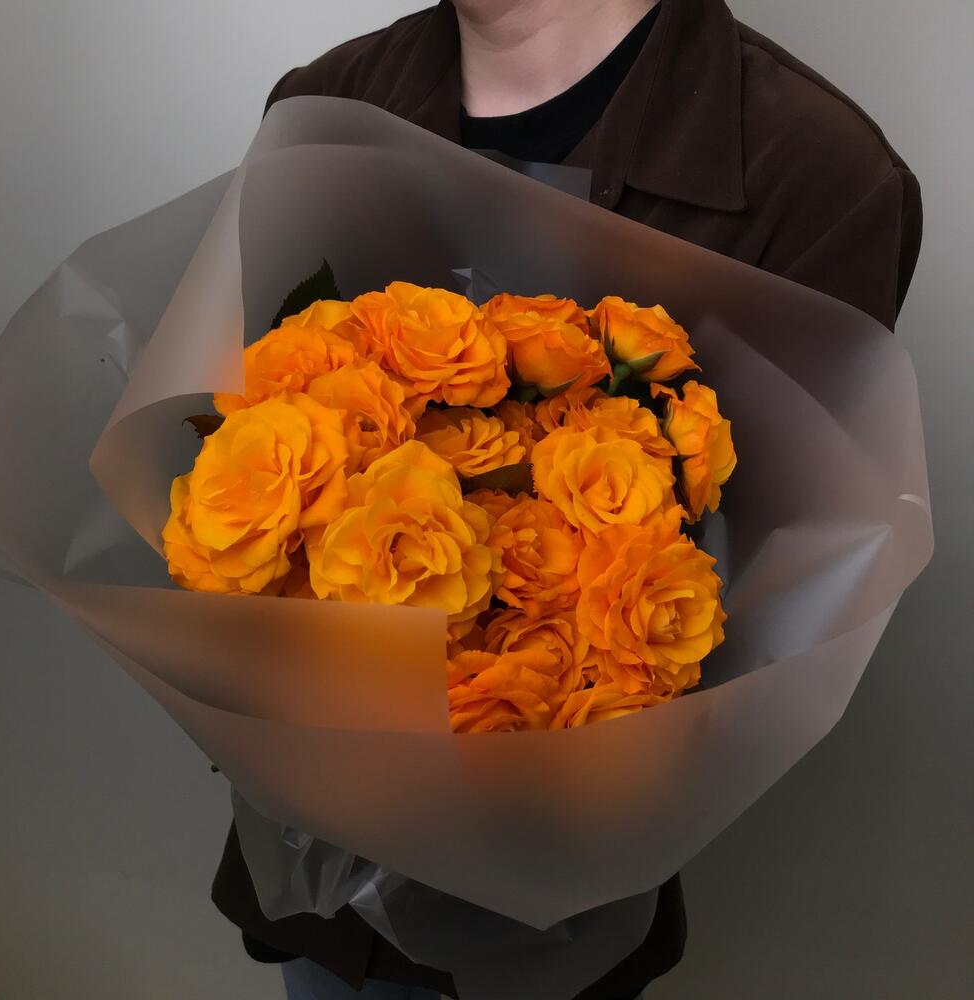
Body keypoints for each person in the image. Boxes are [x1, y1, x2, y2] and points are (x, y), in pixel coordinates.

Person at [211, 1, 922, 997]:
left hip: (551, 914)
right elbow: (238, 444)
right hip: (314, 880)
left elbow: (767, 603)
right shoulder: (323, 105)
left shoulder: (814, 174)